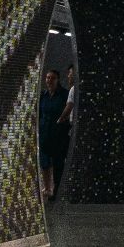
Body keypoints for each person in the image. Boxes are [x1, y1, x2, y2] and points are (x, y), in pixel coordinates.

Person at [39, 69, 70, 202]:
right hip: (45, 131)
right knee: (44, 162)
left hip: (58, 133)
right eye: (47, 78)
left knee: (57, 163)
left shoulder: (64, 95)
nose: (49, 80)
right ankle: (47, 188)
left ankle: (57, 190)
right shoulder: (44, 95)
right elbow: (40, 112)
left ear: (58, 80)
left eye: (52, 78)